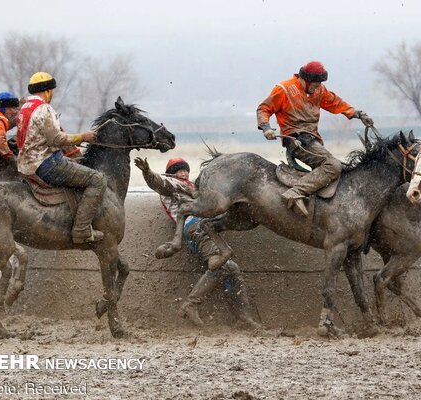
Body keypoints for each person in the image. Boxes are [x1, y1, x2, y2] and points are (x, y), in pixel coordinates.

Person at [134, 156, 261, 330]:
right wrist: (147, 172)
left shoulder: (190, 185)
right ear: (172, 173)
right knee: (222, 266)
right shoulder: (171, 183)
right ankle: (191, 305)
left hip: (199, 228)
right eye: (179, 170)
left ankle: (243, 317)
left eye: (185, 169)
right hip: (195, 227)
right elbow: (158, 183)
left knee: (231, 268)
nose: (183, 173)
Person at [257, 60, 374, 216]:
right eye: (316, 83)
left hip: (312, 140)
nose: (318, 87)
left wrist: (356, 114)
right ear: (305, 79)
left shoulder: (319, 90)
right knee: (333, 166)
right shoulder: (284, 89)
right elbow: (264, 108)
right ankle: (295, 192)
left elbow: (335, 102)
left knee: (341, 169)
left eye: (320, 83)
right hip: (295, 141)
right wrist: (266, 127)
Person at [17, 72, 106, 244]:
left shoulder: (25, 108)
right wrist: (83, 137)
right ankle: (81, 230)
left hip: (26, 163)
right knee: (98, 179)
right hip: (46, 164)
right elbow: (56, 139)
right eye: (52, 90)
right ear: (48, 90)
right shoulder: (44, 109)